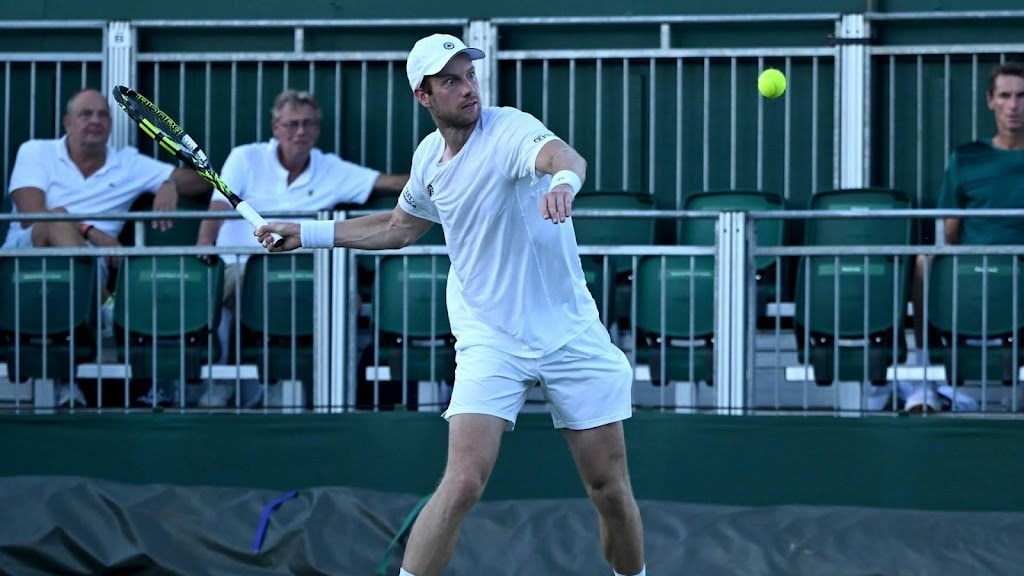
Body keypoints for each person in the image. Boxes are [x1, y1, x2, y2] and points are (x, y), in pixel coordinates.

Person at [255, 34, 646, 576]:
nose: (468, 89)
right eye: (450, 81)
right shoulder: (428, 159)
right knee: (461, 484)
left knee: (609, 489)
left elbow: (566, 157)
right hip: (490, 338)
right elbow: (399, 228)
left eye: (469, 76)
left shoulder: (509, 129)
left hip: (570, 334)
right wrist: (308, 233)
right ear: (424, 96)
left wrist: (562, 182)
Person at [195, 88, 409, 408]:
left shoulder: (331, 168)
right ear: (275, 128)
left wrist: (443, 178)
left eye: (309, 124)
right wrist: (204, 245)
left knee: (346, 299)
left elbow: (390, 183)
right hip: (240, 269)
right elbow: (218, 207)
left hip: (308, 276)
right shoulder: (245, 157)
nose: (300, 132)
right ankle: (223, 381)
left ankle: (331, 394)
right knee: (235, 291)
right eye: (292, 124)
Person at [3, 88, 211, 408]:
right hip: (25, 257)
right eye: (86, 114)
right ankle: (108, 313)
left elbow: (203, 181)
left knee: (70, 258)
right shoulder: (36, 151)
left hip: (90, 268)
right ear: (67, 122)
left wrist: (169, 183)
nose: (95, 121)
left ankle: (70, 381)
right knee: (55, 223)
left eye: (103, 115)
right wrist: (92, 232)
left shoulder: (127, 163)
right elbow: (34, 215)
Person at [906, 60, 1024, 412]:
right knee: (924, 263)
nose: (1014, 105)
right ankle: (923, 379)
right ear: (990, 100)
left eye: (1022, 96)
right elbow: (951, 228)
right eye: (1005, 96)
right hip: (974, 268)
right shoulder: (967, 157)